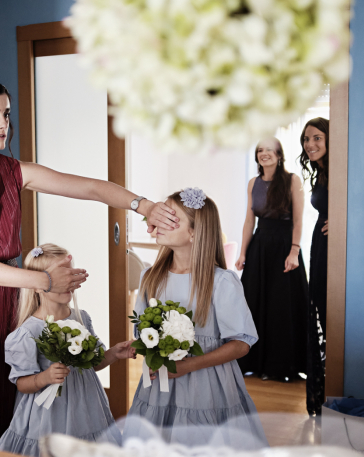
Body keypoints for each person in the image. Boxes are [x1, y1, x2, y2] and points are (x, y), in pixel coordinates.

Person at [0, 75, 176, 446]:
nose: (3, 124)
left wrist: (144, 205)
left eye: (6, 114)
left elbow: (89, 187)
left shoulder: (13, 171)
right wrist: (46, 283)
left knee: (23, 399)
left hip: (14, 298)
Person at [127, 188, 267, 445]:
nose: (157, 222)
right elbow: (141, 331)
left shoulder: (222, 282)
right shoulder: (150, 277)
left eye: (170, 217)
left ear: (193, 232)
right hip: (159, 386)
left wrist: (187, 365)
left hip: (208, 387)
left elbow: (241, 343)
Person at [0, 244, 135, 456]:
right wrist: (45, 377)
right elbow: (22, 383)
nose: (69, 283)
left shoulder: (81, 318)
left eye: (71, 275)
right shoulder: (28, 333)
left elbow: (92, 363)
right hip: (50, 415)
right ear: (38, 285)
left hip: (87, 409)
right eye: (62, 278)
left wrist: (114, 353)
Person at [235, 138, 308, 381]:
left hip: (285, 247)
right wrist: (243, 252)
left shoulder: (292, 180)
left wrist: (294, 251)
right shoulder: (253, 183)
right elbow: (249, 221)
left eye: (269, 150)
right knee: (254, 303)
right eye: (259, 150)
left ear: (279, 155)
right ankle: (254, 363)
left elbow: (298, 221)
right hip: (260, 246)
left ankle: (280, 366)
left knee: (280, 307)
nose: (264, 154)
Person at [299, 117, 330, 416]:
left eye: (317, 138)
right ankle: (324, 394)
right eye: (307, 139)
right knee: (320, 309)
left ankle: (333, 393)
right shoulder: (320, 173)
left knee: (330, 316)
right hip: (319, 246)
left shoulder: (339, 169)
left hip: (333, 249)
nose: (310, 144)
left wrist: (346, 218)